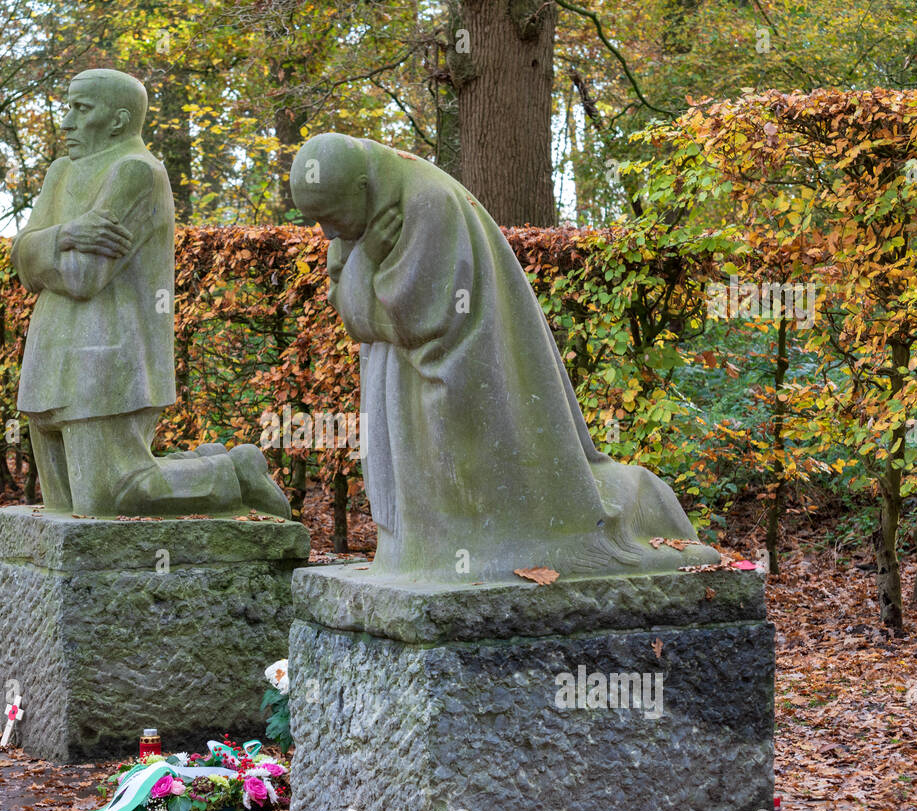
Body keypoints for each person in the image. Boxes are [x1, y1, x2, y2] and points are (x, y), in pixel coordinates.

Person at [289, 132, 720, 580]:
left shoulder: (428, 205)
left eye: (331, 217)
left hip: (455, 375)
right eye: (318, 221)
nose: (328, 234)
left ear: (361, 186)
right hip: (404, 379)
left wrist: (366, 274)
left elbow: (411, 320)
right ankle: (421, 556)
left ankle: (476, 551)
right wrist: (367, 264)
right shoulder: (369, 210)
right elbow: (350, 305)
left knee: (480, 497)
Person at [12, 68, 288, 517]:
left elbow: (84, 276)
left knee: (106, 496)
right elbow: (20, 257)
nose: (66, 122)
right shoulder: (60, 173)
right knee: (65, 505)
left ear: (118, 120)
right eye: (68, 107)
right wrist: (68, 233)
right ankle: (205, 464)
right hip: (50, 358)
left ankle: (233, 475)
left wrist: (43, 249)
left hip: (106, 362)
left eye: (81, 109)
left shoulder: (136, 172)